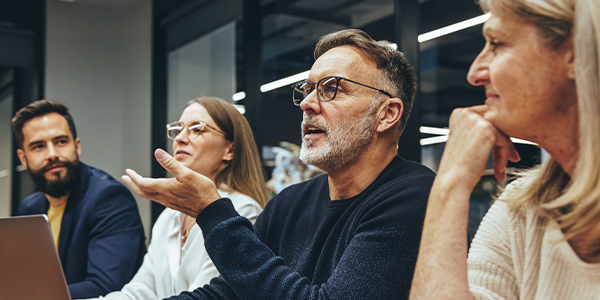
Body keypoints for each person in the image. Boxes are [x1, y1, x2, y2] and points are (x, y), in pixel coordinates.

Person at [122, 29, 436, 300]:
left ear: (387, 114)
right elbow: (227, 294)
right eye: (308, 89)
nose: (308, 104)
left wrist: (212, 212)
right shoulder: (290, 203)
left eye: (331, 89)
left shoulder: (414, 197)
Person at [410, 0, 600, 299]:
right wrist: (452, 181)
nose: (474, 73)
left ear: (574, 51)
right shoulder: (523, 209)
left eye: (496, 43)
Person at [86, 97, 267, 300]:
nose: (180, 138)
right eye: (178, 129)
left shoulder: (241, 211)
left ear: (230, 150)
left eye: (197, 129)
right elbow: (138, 292)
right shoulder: (169, 215)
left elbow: (208, 296)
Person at [12, 100, 147, 299]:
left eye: (61, 142)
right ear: (23, 158)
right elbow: (25, 278)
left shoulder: (109, 198)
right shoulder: (29, 208)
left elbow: (104, 287)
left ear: (77, 146)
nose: (52, 154)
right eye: (38, 146)